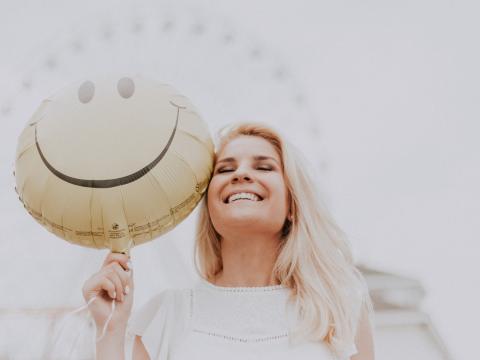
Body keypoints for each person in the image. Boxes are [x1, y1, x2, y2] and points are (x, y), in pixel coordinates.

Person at [82, 122, 375, 359]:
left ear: (293, 206)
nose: (241, 174)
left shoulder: (339, 308)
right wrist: (109, 330)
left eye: (264, 167)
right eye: (225, 169)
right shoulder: (167, 316)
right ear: (209, 207)